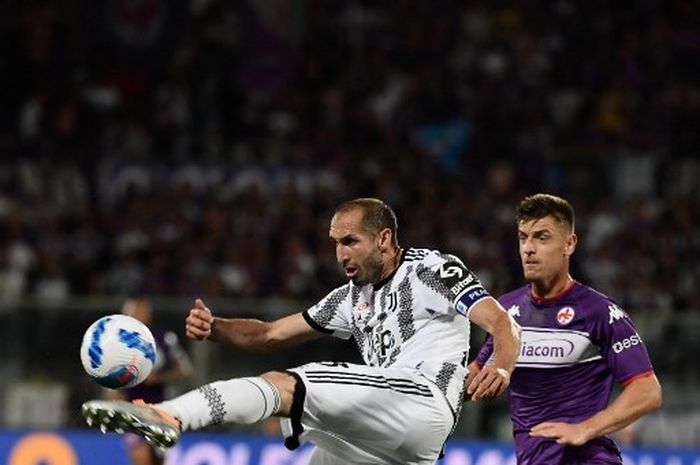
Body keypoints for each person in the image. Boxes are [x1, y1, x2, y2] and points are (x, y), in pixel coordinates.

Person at [82, 197, 520, 465]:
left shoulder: (429, 270)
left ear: (384, 239)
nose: (340, 253)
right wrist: (216, 328)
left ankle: (171, 415)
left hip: (423, 401)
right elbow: (270, 334)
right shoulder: (350, 298)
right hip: (389, 442)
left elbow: (501, 322)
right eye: (334, 243)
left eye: (350, 241)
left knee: (285, 383)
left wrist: (500, 367)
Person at [467, 193, 662, 465]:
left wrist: (587, 428)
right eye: (523, 237)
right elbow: (473, 379)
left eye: (541, 237)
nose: (528, 248)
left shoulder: (598, 311)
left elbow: (647, 390)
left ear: (569, 243)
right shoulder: (505, 312)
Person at [108, 297, 193, 465]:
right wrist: (115, 400)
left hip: (161, 409)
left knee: (159, 459)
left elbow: (185, 370)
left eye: (141, 312)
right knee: (141, 457)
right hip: (132, 409)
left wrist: (159, 378)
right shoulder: (116, 343)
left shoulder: (164, 338)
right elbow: (108, 377)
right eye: (132, 313)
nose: (137, 317)